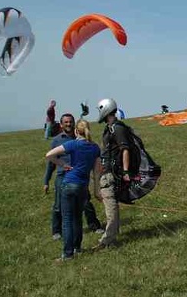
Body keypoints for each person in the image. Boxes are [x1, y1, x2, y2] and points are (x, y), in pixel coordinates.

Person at [45, 120, 101, 262]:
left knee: (67, 220)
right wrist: (96, 191)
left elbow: (49, 155)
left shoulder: (73, 144)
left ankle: (68, 254)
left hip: (69, 184)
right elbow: (96, 172)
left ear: (76, 131)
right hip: (83, 186)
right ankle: (77, 247)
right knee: (77, 219)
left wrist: (63, 164)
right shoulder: (95, 148)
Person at [95, 98, 135, 250]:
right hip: (107, 172)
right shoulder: (110, 127)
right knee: (110, 205)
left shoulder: (116, 129)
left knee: (110, 206)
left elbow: (125, 149)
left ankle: (107, 240)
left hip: (111, 174)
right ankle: (112, 235)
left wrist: (125, 171)